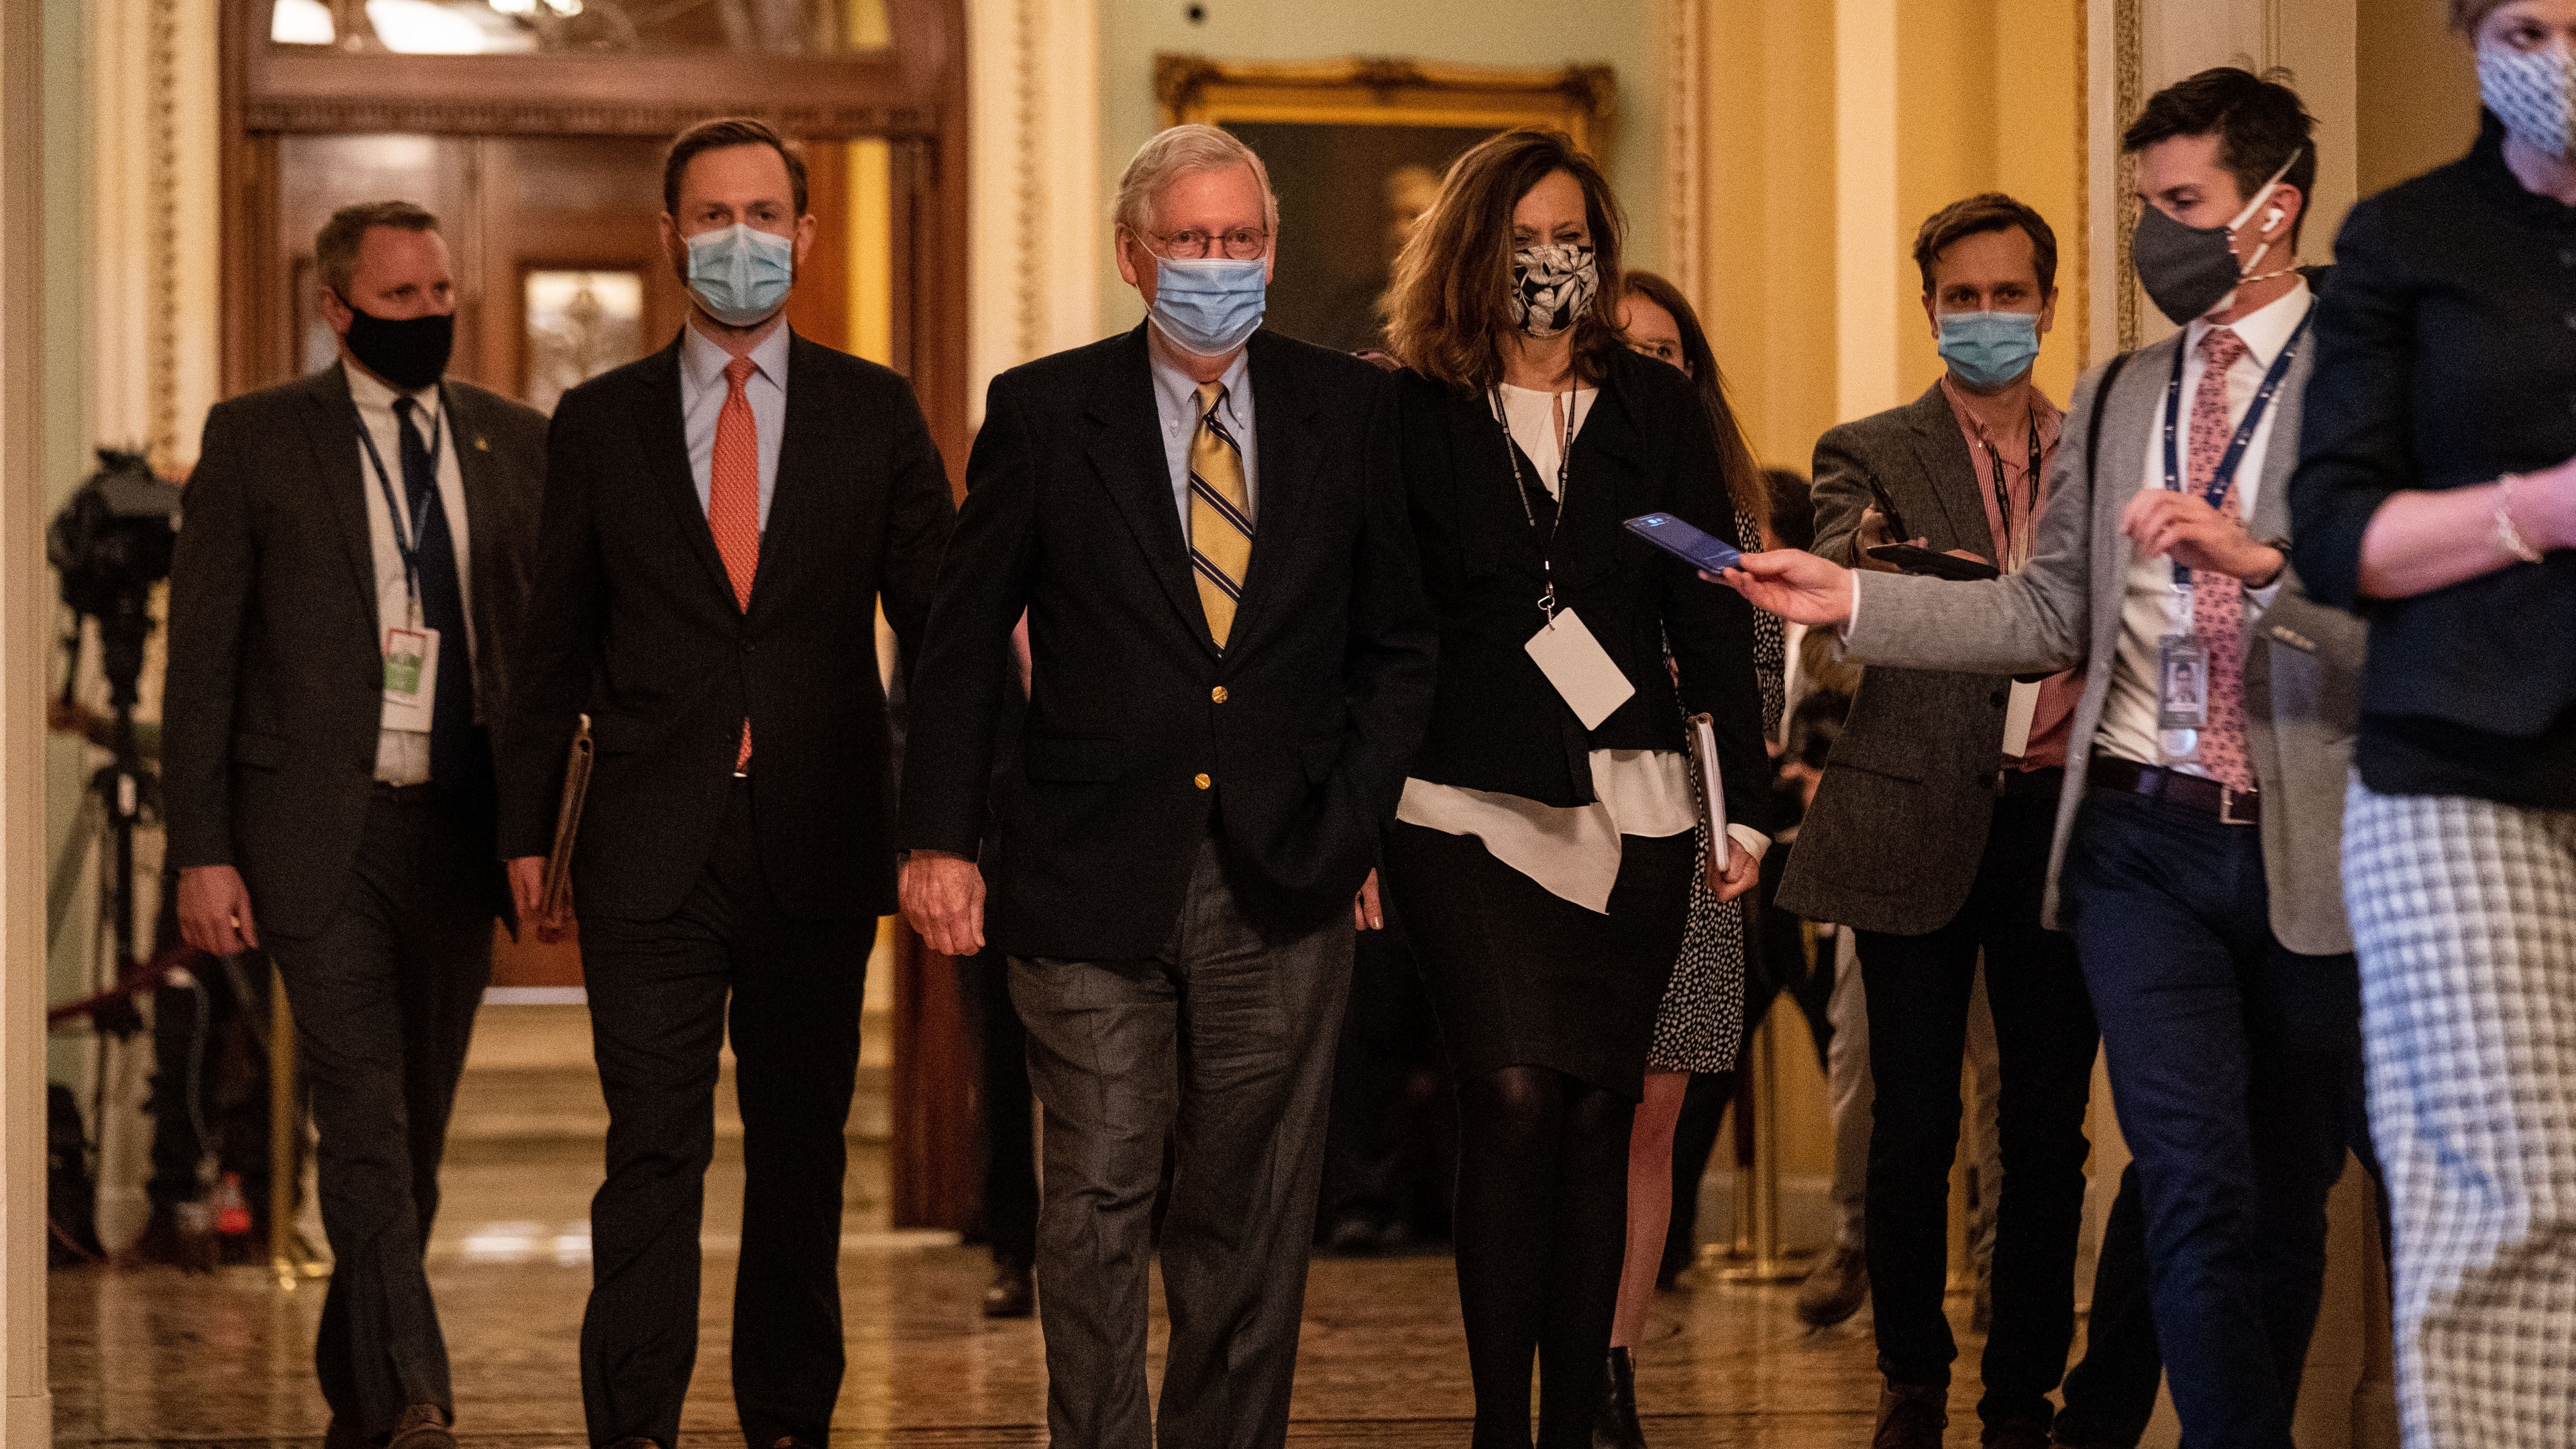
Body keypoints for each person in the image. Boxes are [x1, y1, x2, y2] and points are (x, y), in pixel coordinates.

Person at [1721, 68, 2366, 1449]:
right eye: (2148, 210)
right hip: (2136, 840)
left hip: (2307, 833)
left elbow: (2410, 606)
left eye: (2184, 207)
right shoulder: (2126, 391)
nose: (2162, 239)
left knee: (2275, 1184)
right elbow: (2039, 612)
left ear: (2274, 210)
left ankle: (2092, 1414)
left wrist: (2265, 569)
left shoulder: (2371, 374)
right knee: (2184, 1177)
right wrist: (1851, 601)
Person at [895, 123, 1436, 1449]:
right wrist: (937, 840)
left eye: (1239, 241)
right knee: (1095, 1191)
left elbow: (1401, 644)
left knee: (1248, 1212)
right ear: (1134, 258)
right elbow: (960, 642)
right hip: (1082, 871)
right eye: (1189, 242)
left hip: (1285, 870)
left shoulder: (1353, 412)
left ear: (1269, 251)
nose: (1216, 265)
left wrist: (1353, 818)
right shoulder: (1040, 410)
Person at [496, 117, 956, 1449]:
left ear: (804, 236)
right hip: (649, 845)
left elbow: (938, 631)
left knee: (804, 1159)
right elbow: (551, 648)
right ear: (669, 234)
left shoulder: (875, 410)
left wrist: (947, 824)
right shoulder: (598, 421)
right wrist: (528, 827)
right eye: (712, 215)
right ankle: (633, 1425)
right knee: (652, 1151)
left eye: (765, 213)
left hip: (819, 839)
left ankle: (788, 1425)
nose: (739, 238)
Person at [1378, 129, 1771, 1449]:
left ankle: (1574, 1421)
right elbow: (1382, 625)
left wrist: (1746, 803)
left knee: (1601, 1111)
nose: (1553, 263)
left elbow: (1710, 613)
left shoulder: (1655, 414)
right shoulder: (1412, 408)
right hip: (1457, 805)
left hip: (1641, 803)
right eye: (1528, 238)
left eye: (1574, 239)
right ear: (1477, 248)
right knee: (1511, 1095)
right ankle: (1500, 1422)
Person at [164, 199, 547, 1449]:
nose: (431, 318)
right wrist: (200, 847)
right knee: (364, 1116)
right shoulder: (259, 440)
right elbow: (204, 664)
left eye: (443, 297)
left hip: (455, 829)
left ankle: (360, 1393)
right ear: (337, 310)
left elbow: (545, 655)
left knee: (414, 1134)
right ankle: (418, 1396)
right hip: (314, 833)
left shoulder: (513, 442)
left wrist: (547, 829)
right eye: (401, 302)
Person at [2290, 3, 2576, 1442]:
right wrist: (2538, 508)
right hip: (2462, 772)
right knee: (2512, 1192)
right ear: (2472, 37)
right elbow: (2335, 537)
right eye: (2529, 21)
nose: (2562, 51)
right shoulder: (2407, 241)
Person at [1773, 192, 2100, 1449]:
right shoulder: (1865, 451)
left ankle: (2024, 1393)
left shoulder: (2098, 452)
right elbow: (1852, 621)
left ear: (2048, 302)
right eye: (1960, 299)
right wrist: (1880, 577)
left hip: (2057, 823)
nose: (1986, 319)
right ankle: (1912, 1374)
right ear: (1929, 311)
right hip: (1911, 812)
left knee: (2044, 1130)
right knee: (1911, 1122)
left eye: (2007, 295)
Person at [1593, 268, 1782, 1448]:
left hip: (1694, 837)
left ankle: (1613, 1366)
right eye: (1626, 352)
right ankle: (1546, 1350)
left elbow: (1755, 694)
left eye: (1668, 355)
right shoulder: (1544, 512)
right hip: (1556, 842)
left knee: (1654, 1118)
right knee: (1559, 1114)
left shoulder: (1736, 529)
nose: (1647, 371)